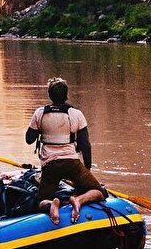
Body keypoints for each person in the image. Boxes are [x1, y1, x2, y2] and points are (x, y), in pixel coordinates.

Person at [26, 76, 104, 225]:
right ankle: (78, 199)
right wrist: (86, 169)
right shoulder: (76, 114)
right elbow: (85, 145)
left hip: (50, 166)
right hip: (72, 164)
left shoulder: (40, 113)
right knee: (99, 192)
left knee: (40, 202)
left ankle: (51, 204)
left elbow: (29, 139)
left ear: (50, 95)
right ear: (66, 95)